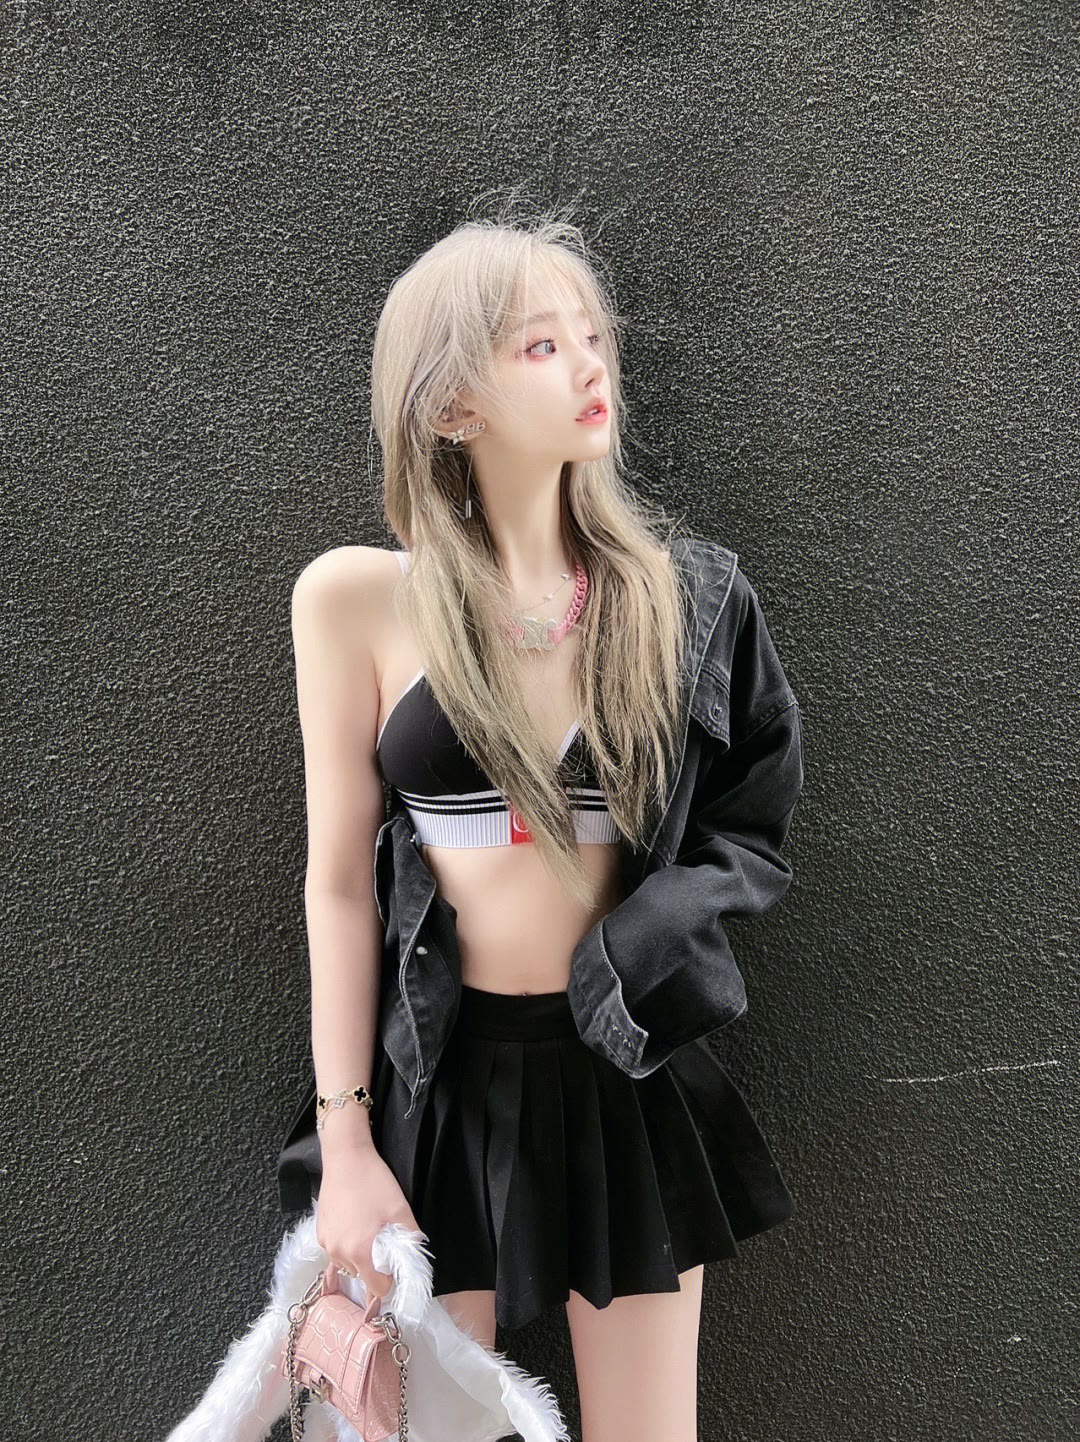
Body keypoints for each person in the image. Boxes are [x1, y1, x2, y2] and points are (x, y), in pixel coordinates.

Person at [276, 206, 804, 1442]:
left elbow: (750, 826)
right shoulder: (358, 599)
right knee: (424, 1427)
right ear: (451, 404)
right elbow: (337, 883)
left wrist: (657, 934)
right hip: (436, 1081)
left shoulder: (683, 600)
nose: (588, 363)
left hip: (624, 1070)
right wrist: (346, 1144)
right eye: (540, 344)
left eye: (592, 336)